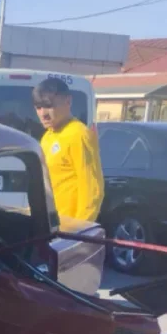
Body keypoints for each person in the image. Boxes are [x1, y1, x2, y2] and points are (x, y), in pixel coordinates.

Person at [34, 77, 104, 224]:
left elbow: (92, 189)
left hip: (70, 228)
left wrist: (79, 229)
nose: (43, 113)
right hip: (50, 222)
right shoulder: (47, 136)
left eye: (49, 106)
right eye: (38, 107)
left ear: (68, 101)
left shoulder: (79, 134)